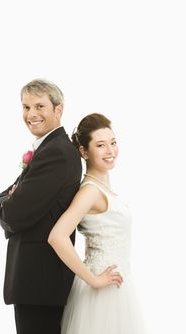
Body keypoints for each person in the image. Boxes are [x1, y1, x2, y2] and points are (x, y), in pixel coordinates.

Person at [0, 79, 82, 334]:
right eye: (26, 107)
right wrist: (4, 200)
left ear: (58, 109)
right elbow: (1, 198)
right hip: (38, 283)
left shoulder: (57, 152)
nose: (31, 114)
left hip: (40, 282)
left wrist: (5, 203)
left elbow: (13, 214)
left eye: (39, 106)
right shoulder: (50, 149)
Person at [48, 113, 145, 333]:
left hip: (117, 283)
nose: (110, 151)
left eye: (113, 142)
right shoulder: (90, 191)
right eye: (101, 145)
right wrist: (94, 280)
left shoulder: (103, 189)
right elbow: (57, 236)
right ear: (84, 151)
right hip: (102, 288)